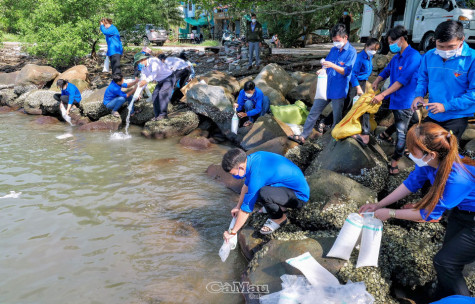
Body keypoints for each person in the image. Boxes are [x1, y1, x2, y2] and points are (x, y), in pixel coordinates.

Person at [359, 122, 475, 300]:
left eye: (413, 151)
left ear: (431, 154)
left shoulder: (458, 178)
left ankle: (462, 301)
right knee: (449, 262)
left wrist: (391, 213)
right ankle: (441, 297)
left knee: (445, 262)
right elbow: (410, 184)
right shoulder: (429, 163)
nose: (409, 154)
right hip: (461, 212)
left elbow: (428, 214)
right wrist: (379, 205)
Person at [288, 24, 356, 145]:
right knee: (314, 111)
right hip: (326, 87)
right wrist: (323, 69)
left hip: (339, 89)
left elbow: (346, 71)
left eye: (337, 41)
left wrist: (332, 66)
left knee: (337, 117)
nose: (335, 43)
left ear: (345, 37)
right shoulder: (334, 49)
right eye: (334, 41)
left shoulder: (351, 52)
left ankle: (334, 141)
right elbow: (326, 64)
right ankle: (303, 136)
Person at [221, 149, 309, 239]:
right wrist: (238, 207)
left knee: (263, 193)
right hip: (284, 188)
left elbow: (246, 210)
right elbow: (245, 187)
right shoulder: (252, 160)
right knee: (254, 192)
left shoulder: (257, 174)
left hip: (299, 196)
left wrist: (232, 232)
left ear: (241, 167)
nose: (234, 176)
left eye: (234, 174)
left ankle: (279, 218)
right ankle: (280, 206)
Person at [412, 20, 475, 141]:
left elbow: (473, 93)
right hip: (434, 113)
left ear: (462, 39)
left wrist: (446, 106)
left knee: (442, 151)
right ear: (434, 40)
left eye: (451, 47)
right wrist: (419, 95)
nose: (445, 51)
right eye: (440, 46)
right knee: (421, 146)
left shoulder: (472, 58)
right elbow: (423, 78)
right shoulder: (429, 55)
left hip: (456, 115)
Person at [371, 25, 421, 175]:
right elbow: (386, 71)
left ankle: (394, 161)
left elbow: (401, 81)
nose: (390, 44)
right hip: (397, 100)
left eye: (392, 41)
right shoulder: (397, 56)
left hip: (406, 101)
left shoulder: (414, 56)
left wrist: (382, 95)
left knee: (403, 132)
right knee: (407, 125)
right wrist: (377, 80)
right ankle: (386, 136)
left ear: (402, 39)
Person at [347, 38, 380, 146]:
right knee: (351, 105)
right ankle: (352, 128)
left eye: (375, 50)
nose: (373, 51)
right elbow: (353, 74)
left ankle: (362, 130)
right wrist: (358, 88)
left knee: (357, 105)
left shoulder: (369, 56)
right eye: (372, 49)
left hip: (363, 82)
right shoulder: (360, 57)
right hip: (355, 83)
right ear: (366, 46)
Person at [135, 53, 175, 121]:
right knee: (154, 95)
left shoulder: (154, 61)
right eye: (138, 62)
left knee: (162, 93)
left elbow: (154, 73)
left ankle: (163, 114)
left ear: (143, 59)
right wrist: (139, 92)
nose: (139, 63)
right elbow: (143, 81)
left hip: (169, 78)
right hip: (160, 81)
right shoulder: (144, 69)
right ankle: (157, 115)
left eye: (139, 61)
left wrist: (146, 80)